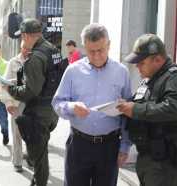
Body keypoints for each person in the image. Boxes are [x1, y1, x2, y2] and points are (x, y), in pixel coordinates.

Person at [52, 23, 132, 186]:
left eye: (100, 50)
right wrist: (72, 107)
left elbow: (128, 114)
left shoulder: (121, 72)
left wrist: (124, 147)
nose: (96, 56)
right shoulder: (73, 71)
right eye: (91, 51)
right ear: (84, 47)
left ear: (109, 45)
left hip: (109, 147)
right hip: (79, 145)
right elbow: (57, 103)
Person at [117, 33, 177, 186]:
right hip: (149, 159)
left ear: (158, 59)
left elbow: (175, 108)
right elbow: (139, 106)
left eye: (141, 62)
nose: (137, 66)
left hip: (168, 164)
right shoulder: (150, 80)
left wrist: (135, 110)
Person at [7, 18, 62, 186]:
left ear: (26, 35)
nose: (22, 41)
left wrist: (11, 88)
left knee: (39, 160)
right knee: (40, 154)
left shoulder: (35, 58)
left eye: (22, 38)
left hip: (38, 113)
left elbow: (30, 91)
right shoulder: (53, 50)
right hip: (52, 110)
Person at [3, 41, 31, 173]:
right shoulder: (13, 62)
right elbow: (5, 84)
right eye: (24, 48)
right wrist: (8, 103)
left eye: (29, 48)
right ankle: (18, 161)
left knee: (32, 133)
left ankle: (30, 156)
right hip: (17, 103)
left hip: (33, 103)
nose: (26, 50)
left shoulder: (36, 61)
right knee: (17, 133)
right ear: (20, 48)